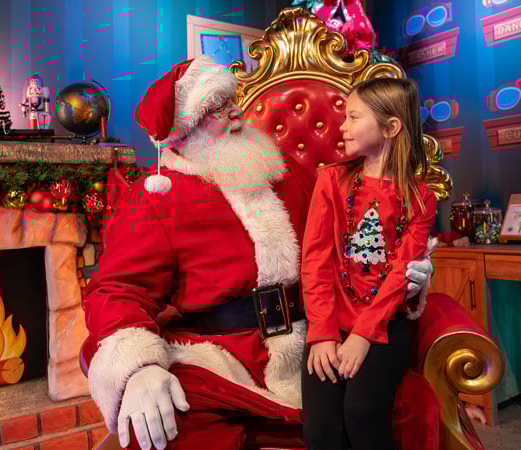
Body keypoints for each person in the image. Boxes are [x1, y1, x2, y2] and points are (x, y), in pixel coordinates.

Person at [80, 55, 435, 450]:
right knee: (175, 426)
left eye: (231, 100)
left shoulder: (286, 170)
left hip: (315, 330)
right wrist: (139, 367)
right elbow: (117, 289)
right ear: (185, 128)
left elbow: (355, 244)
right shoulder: (156, 197)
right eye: (215, 108)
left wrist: (411, 274)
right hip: (223, 355)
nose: (234, 113)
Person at [301, 77, 437, 450]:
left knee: (361, 411)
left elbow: (401, 274)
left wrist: (363, 335)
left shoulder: (421, 197)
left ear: (390, 127)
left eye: (353, 117)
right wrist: (323, 334)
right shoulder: (330, 180)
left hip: (384, 326)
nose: (342, 126)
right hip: (330, 322)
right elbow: (316, 261)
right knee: (321, 430)